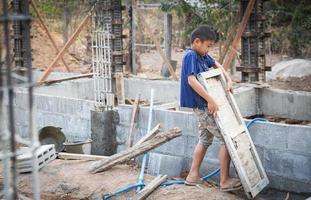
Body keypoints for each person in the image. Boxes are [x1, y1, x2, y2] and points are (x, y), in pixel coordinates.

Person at [180, 25, 241, 192]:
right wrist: (211, 100)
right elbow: (191, 81)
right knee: (226, 139)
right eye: (208, 46)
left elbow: (217, 65)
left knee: (205, 140)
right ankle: (224, 180)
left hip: (203, 106)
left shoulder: (202, 55)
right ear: (197, 42)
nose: (208, 50)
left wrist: (227, 78)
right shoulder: (191, 55)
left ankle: (192, 176)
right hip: (202, 106)